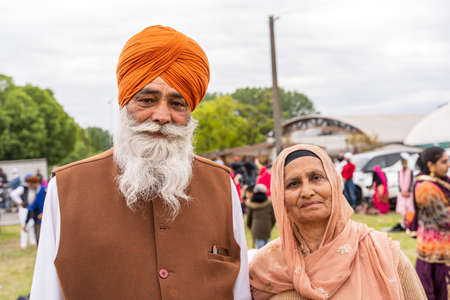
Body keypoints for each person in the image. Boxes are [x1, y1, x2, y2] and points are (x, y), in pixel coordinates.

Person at [30, 25, 251, 300]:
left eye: (177, 103)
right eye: (147, 100)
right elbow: (46, 293)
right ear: (124, 103)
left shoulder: (222, 186)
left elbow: (240, 291)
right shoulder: (65, 190)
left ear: (190, 111)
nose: (161, 115)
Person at [249, 144, 426, 300]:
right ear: (281, 197)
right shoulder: (265, 268)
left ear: (334, 183)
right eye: (293, 184)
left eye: (316, 178)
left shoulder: (383, 254)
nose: (307, 191)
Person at [412, 146, 449, 300]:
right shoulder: (425, 187)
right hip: (435, 255)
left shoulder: (442, 182)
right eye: (444, 162)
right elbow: (444, 219)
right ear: (430, 165)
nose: (448, 165)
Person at [10, 174, 41, 249]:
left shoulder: (35, 188)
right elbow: (13, 194)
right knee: (24, 226)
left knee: (32, 225)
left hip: (32, 209)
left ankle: (33, 241)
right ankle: (23, 244)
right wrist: (20, 202)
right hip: (24, 209)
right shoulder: (22, 188)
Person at [246, 184, 275, 249]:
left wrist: (251, 228)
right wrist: (270, 226)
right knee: (267, 249)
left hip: (256, 229)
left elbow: (249, 219)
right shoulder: (269, 203)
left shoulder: (251, 204)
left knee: (260, 250)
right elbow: (273, 218)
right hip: (267, 228)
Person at [391, 153, 415, 231]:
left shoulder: (410, 171)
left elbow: (411, 182)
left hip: (408, 194)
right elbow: (399, 182)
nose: (404, 164)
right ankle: (404, 222)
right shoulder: (400, 172)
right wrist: (401, 191)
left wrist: (408, 192)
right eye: (403, 163)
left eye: (405, 163)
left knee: (409, 208)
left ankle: (409, 222)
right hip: (402, 194)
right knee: (402, 209)